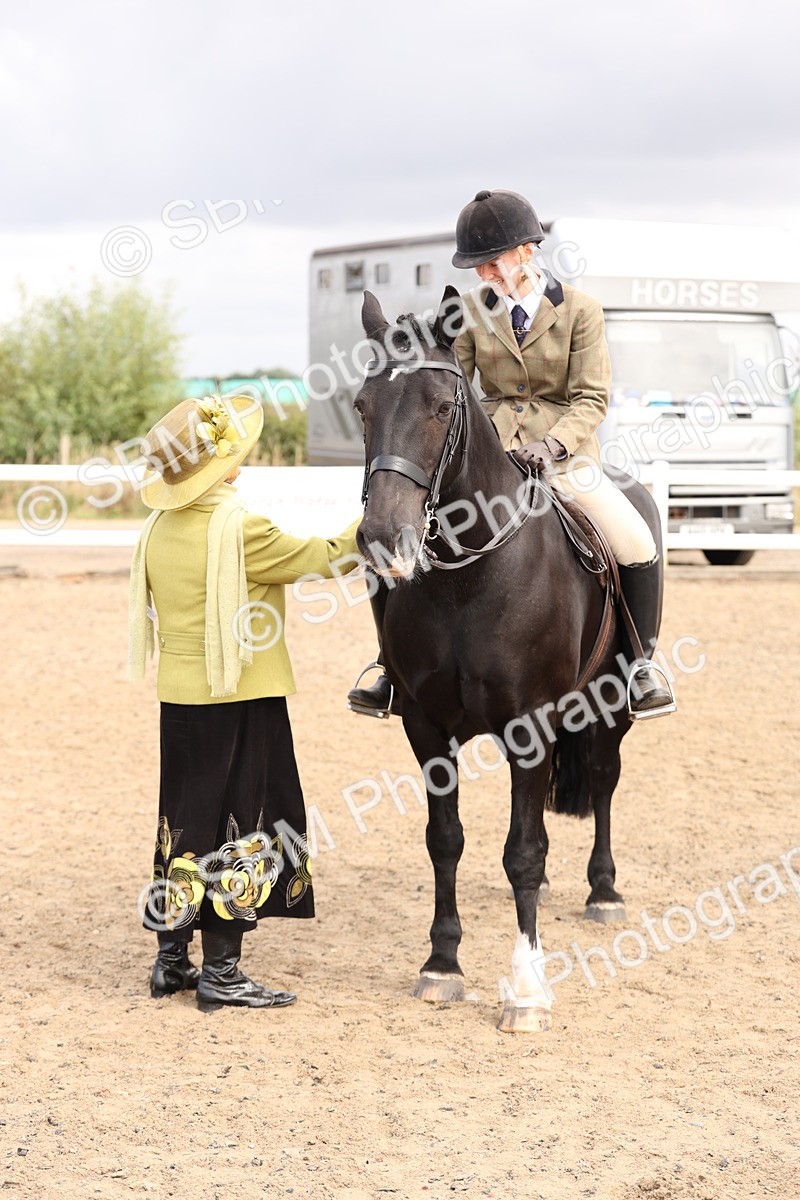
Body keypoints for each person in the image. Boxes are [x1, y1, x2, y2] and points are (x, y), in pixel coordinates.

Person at [348, 188, 675, 720]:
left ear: (526, 250)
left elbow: (592, 398)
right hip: (491, 451)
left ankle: (640, 666)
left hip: (566, 452)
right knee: (390, 530)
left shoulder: (582, 311)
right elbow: (452, 384)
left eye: (491, 262)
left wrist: (552, 444)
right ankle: (391, 668)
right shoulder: (470, 314)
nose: (484, 274)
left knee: (635, 539)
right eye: (476, 267)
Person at [129, 393, 361, 1011]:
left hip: (179, 695)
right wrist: (378, 517)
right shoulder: (242, 529)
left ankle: (171, 960)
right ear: (221, 466)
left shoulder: (158, 528)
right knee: (242, 823)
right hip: (241, 693)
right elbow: (327, 558)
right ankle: (223, 973)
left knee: (184, 819)